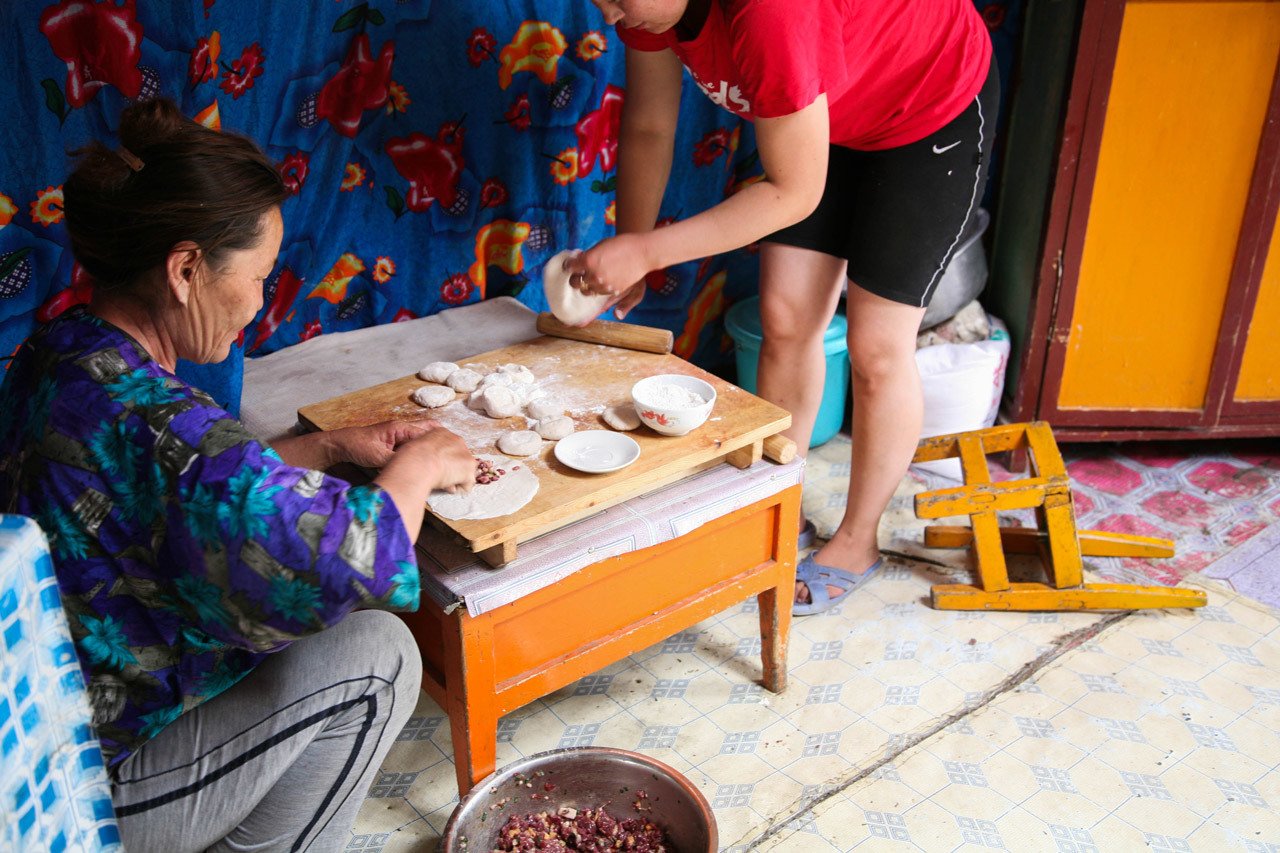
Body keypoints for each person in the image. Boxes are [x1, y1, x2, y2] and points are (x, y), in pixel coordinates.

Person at [0, 99, 477, 851]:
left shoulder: (62, 352)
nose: (259, 303)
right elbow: (335, 560)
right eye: (258, 276)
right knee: (378, 655)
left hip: (40, 738)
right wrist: (417, 467)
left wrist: (324, 448)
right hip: (89, 784)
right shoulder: (163, 423)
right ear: (186, 268)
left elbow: (170, 495)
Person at [569, 0, 997, 615]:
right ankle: (777, 505)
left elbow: (795, 191)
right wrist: (631, 248)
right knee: (786, 319)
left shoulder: (772, 13)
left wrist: (648, 251)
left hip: (923, 108)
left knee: (877, 349)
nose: (610, 18)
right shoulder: (648, 9)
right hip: (824, 114)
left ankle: (856, 541)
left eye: (618, 0)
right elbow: (648, 126)